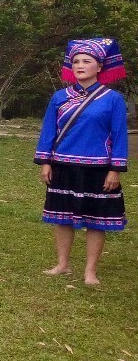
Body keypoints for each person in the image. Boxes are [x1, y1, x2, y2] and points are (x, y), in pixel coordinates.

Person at [35, 38, 128, 286]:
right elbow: (48, 131)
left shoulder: (112, 99)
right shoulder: (59, 97)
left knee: (96, 221)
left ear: (100, 67)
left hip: (98, 168)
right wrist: (46, 162)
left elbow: (119, 135)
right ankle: (63, 264)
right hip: (63, 165)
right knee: (62, 217)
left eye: (87, 61)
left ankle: (90, 271)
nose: (80, 65)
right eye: (76, 61)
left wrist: (115, 169)